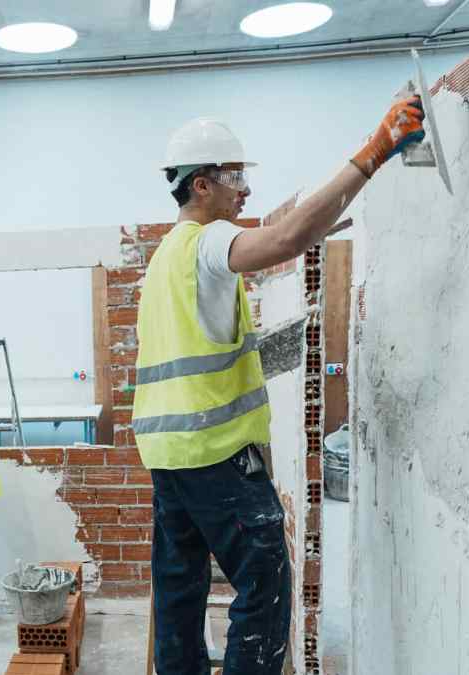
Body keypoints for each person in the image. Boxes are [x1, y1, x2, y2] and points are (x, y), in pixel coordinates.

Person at [136, 100, 426, 674]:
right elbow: (287, 238)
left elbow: (202, 353)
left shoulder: (165, 257)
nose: (244, 191)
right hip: (215, 454)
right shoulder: (207, 240)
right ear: (202, 185)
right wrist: (373, 152)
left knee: (180, 590)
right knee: (264, 589)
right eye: (236, 177)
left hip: (169, 457)